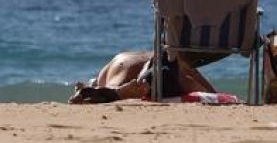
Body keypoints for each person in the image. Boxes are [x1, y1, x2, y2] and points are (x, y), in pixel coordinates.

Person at [68, 51, 217, 104]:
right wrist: (215, 94)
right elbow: (198, 78)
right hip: (165, 66)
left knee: (114, 86)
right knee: (188, 83)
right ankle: (118, 91)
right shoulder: (170, 55)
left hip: (125, 63)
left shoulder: (111, 67)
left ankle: (117, 91)